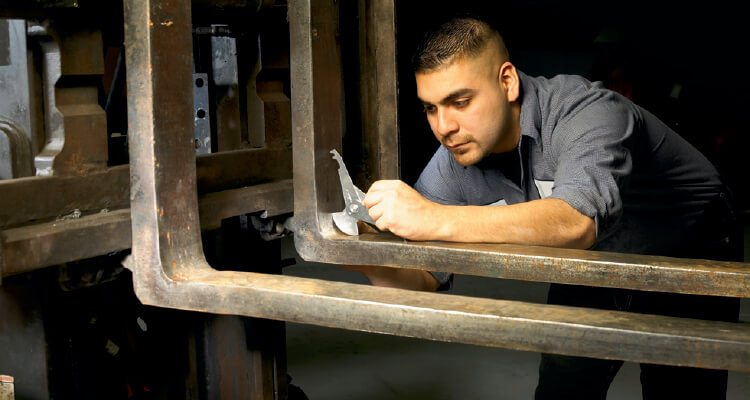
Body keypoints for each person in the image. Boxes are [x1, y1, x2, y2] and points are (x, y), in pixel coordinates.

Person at [345, 16, 741, 400]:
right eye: (431, 108)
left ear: (507, 82)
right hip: (598, 258)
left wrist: (430, 218)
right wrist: (359, 252)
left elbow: (575, 222)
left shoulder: (587, 112)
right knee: (564, 385)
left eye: (460, 101)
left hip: (688, 241)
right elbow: (423, 280)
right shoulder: (455, 160)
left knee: (679, 388)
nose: (444, 126)